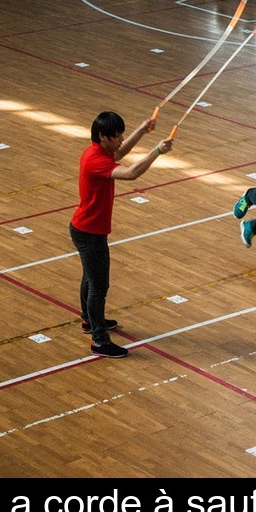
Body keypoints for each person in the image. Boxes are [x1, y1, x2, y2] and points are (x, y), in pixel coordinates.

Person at [70, 112, 173, 358]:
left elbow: (118, 154)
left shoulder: (97, 151)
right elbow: (131, 173)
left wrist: (142, 129)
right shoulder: (95, 160)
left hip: (87, 230)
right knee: (98, 286)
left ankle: (89, 320)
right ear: (103, 137)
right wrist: (156, 151)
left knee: (89, 279)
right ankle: (99, 340)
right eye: (116, 137)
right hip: (89, 233)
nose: (120, 140)